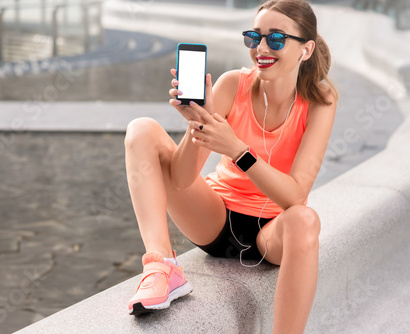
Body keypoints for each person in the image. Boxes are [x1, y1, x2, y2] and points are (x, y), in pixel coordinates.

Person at [124, 0, 337, 332]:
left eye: (276, 39)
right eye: (254, 37)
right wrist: (200, 123)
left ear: (305, 49)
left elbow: (295, 197)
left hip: (273, 235)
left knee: (305, 219)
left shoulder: (320, 100)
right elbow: (180, 179)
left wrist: (239, 150)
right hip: (213, 219)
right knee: (141, 130)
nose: (262, 48)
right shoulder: (231, 85)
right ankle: (161, 267)